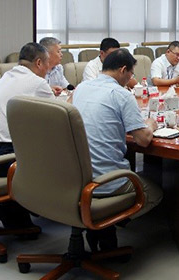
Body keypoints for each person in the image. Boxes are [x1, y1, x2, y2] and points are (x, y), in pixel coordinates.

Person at [73, 49, 163, 252]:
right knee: (155, 193)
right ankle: (106, 223)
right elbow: (143, 140)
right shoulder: (121, 94)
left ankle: (101, 224)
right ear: (123, 70)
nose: (130, 79)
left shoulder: (81, 88)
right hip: (106, 182)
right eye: (131, 74)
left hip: (75, 178)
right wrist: (150, 124)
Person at [0, 42, 54, 228]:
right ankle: (30, 207)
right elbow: (60, 115)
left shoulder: (6, 76)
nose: (48, 68)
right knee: (58, 154)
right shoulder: (38, 83)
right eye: (47, 63)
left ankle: (20, 207)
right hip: (6, 160)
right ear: (38, 63)